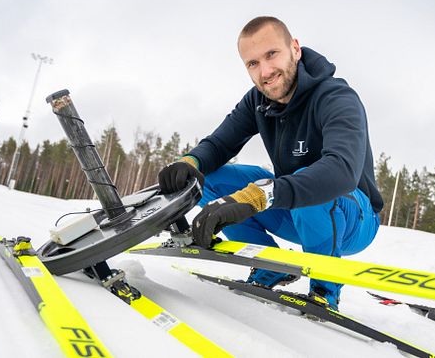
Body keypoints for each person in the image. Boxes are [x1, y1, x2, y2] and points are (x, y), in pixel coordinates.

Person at [158, 16, 383, 310]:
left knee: (309, 181)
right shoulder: (257, 101)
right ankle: (270, 264)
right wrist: (189, 163)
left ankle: (325, 288)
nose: (265, 71)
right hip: (292, 209)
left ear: (295, 49)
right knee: (210, 177)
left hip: (353, 218)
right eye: (252, 63)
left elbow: (341, 171)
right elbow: (219, 143)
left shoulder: (336, 97)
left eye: (271, 55)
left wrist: (258, 195)